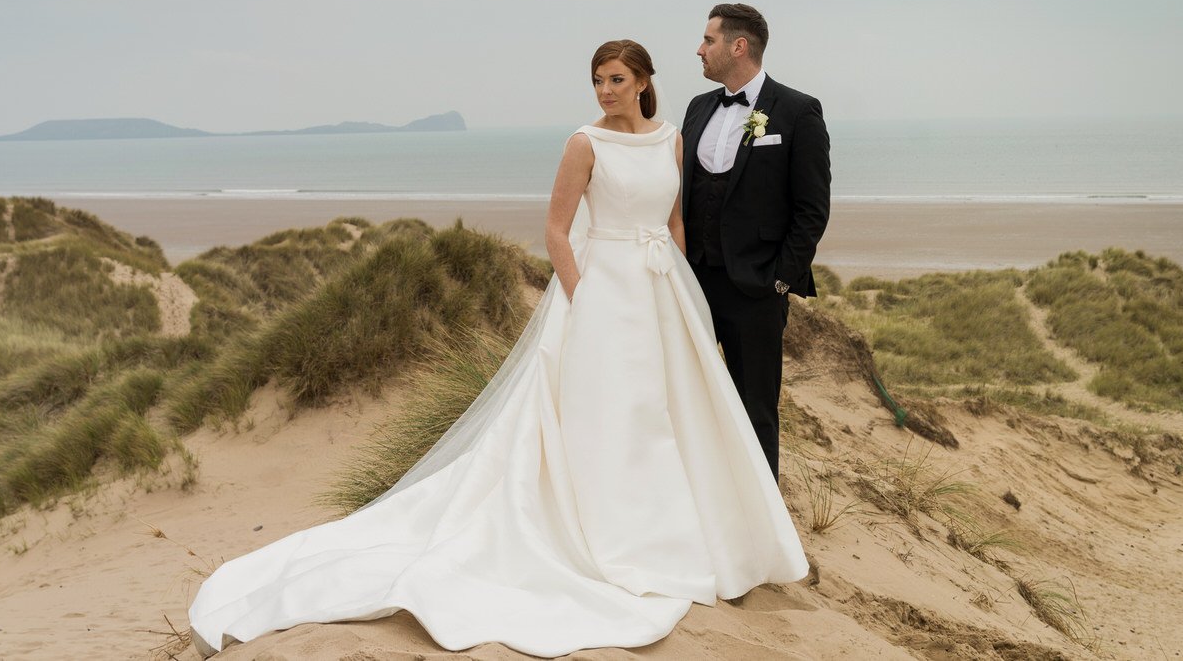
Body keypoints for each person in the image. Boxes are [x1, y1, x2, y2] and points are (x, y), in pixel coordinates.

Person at [187, 39, 807, 658]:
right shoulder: (584, 143)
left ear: (644, 82)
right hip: (601, 293)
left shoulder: (671, 137)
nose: (605, 91)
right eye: (597, 80)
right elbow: (557, 230)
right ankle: (612, 535)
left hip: (662, 288)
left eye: (617, 79)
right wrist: (582, 296)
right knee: (609, 414)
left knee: (670, 412)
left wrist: (685, 290)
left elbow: (673, 222)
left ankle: (687, 534)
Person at [682, 4, 831, 479]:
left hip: (756, 292)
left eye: (708, 40)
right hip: (692, 285)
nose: (699, 49)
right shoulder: (698, 107)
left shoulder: (797, 110)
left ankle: (764, 530)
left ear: (738, 46)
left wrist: (780, 282)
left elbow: (812, 209)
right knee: (693, 401)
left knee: (756, 411)